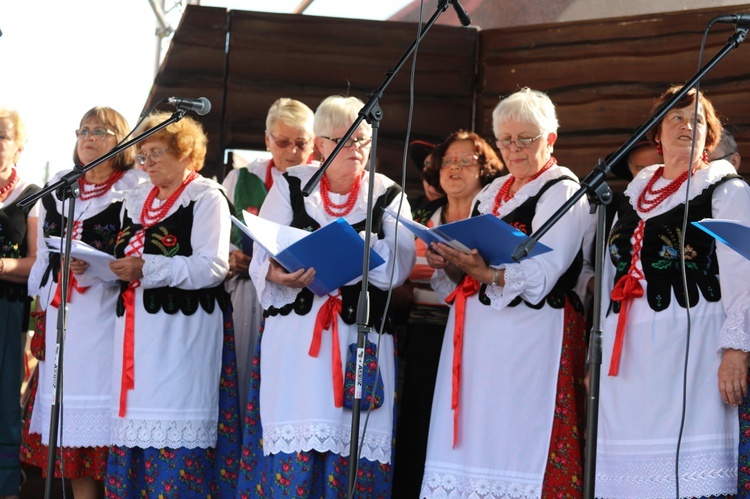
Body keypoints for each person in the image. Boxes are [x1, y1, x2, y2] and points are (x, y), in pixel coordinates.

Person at [236, 95, 416, 498]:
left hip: (359, 337)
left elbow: (399, 266)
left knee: (352, 451)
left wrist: (356, 246)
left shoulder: (387, 193)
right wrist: (279, 273)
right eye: (343, 140)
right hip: (297, 345)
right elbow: (261, 255)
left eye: (363, 141)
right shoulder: (292, 184)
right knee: (295, 445)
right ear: (320, 143)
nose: (355, 150)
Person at [421, 87, 589, 498]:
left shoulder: (562, 191)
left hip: (532, 337)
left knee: (519, 438)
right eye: (506, 139)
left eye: (526, 138)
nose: (514, 149)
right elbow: (472, 261)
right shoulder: (492, 193)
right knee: (477, 436)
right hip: (482, 336)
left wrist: (489, 274)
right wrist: (451, 261)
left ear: (550, 138)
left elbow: (546, 271)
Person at [595, 85, 750, 498]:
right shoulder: (633, 195)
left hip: (692, 347)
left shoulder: (726, 190)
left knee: (684, 473)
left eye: (696, 119)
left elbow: (746, 279)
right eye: (675, 118)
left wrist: (736, 352)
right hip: (626, 355)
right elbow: (613, 271)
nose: (685, 125)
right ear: (656, 134)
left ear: (710, 136)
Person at [103, 112, 239, 497]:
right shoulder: (135, 198)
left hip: (183, 336)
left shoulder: (207, 196)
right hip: (135, 337)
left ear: (185, 152)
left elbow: (213, 265)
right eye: (142, 155)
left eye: (155, 153)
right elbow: (122, 258)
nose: (146, 163)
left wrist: (148, 267)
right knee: (135, 434)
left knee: (176, 437)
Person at [22, 107, 142, 499]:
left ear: (121, 140)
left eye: (102, 131)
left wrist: (97, 266)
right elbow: (42, 256)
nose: (90, 138)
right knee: (69, 427)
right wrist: (45, 292)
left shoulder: (134, 187)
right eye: (84, 130)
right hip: (64, 315)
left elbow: (137, 255)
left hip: (108, 317)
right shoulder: (60, 185)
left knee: (103, 425)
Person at [392, 130, 503, 498]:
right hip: (417, 332)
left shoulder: (492, 216)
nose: (453, 168)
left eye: (464, 161)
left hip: (474, 335)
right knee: (415, 421)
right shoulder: (421, 215)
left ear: (485, 170)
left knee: (463, 421)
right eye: (447, 162)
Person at [222, 97, 315, 416]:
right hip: (247, 292)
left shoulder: (320, 182)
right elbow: (217, 236)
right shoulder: (241, 178)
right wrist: (231, 257)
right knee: (244, 373)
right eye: (283, 142)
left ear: (314, 142)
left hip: (301, 294)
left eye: (301, 143)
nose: (292, 151)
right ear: (267, 140)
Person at [0, 107, 39, 499]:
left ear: (19, 147)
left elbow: (38, 262)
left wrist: (2, 265)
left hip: (7, 308)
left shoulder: (31, 195)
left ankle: (6, 485)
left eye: (2, 137)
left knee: (4, 396)